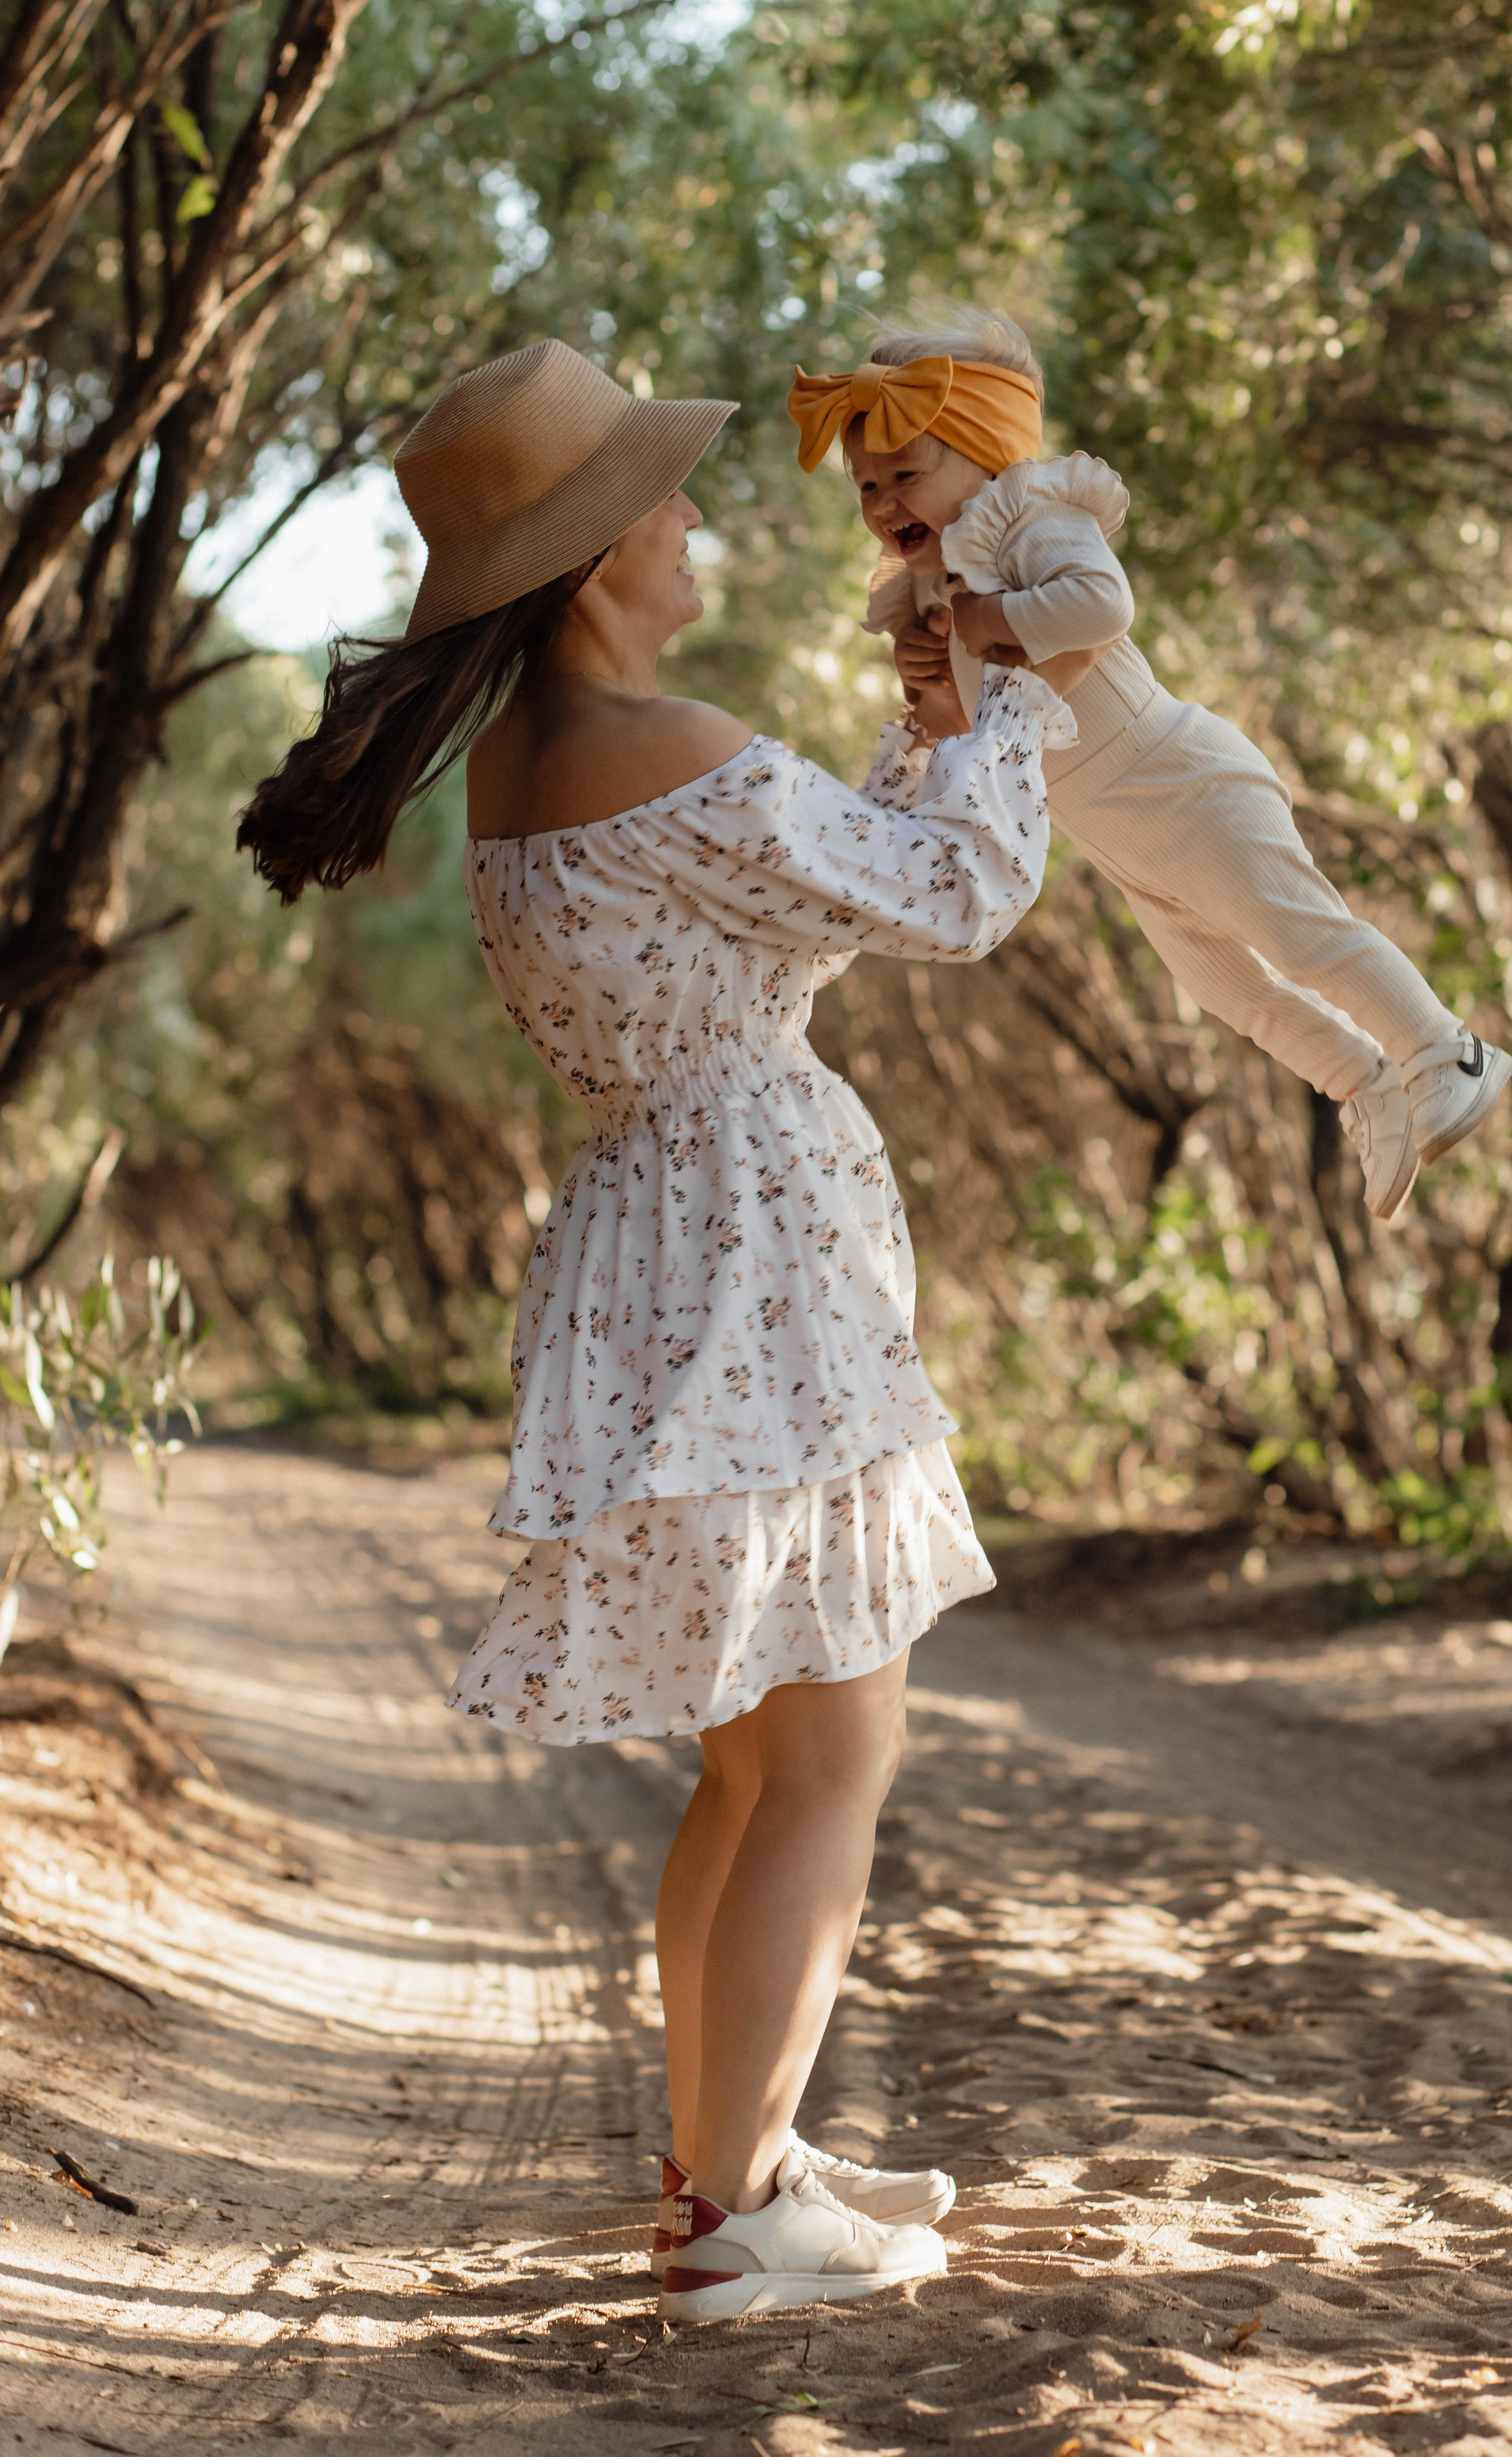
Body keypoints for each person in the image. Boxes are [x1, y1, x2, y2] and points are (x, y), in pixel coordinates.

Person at [237, 337, 1073, 2324]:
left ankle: (730, 2162)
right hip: (749, 1247)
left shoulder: (547, 760)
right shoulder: (661, 739)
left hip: (667, 1238)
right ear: (607, 545)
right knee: (830, 1748)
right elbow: (956, 894)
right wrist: (1014, 697)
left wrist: (926, 714)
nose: (696, 513)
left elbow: (825, 900)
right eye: (670, 492)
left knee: (751, 1760)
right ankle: (740, 2202)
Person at [788, 313, 1512, 1220]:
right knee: (1230, 992)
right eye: (866, 487)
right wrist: (930, 692)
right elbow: (977, 726)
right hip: (1119, 836)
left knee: (1299, 934)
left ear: (986, 456)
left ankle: (1445, 1053)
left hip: (1178, 777)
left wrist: (987, 624)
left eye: (906, 475)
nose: (885, 503)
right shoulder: (937, 583)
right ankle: (1361, 1085)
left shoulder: (1028, 524)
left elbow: (1101, 606)